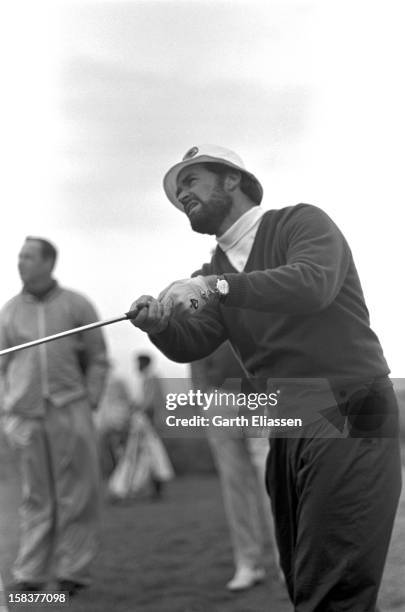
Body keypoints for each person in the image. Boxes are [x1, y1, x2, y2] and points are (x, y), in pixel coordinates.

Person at [128, 144, 402, 612]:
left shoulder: (301, 223)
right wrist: (160, 327)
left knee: (331, 592)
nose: (182, 196)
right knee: (305, 582)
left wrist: (215, 287)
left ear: (232, 179)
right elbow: (193, 342)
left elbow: (310, 283)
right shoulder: (213, 270)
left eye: (191, 181)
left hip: (352, 404)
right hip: (288, 421)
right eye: (178, 192)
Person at [0, 237, 109, 596]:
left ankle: (72, 572)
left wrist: (90, 398)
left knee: (76, 493)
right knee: (35, 496)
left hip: (70, 408)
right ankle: (30, 573)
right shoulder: (9, 311)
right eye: (19, 256)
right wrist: (8, 410)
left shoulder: (77, 305)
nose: (20, 262)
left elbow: (97, 357)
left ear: (49, 262)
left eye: (28, 257)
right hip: (25, 416)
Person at [191, 341, 280, 591]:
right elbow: (193, 345)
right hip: (218, 395)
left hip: (259, 393)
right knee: (234, 482)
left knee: (270, 478)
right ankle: (248, 563)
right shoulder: (200, 303)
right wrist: (201, 394)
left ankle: (287, 562)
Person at [108, 353, 174, 501]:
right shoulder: (148, 379)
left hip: (150, 424)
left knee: (153, 456)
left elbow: (150, 403)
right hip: (149, 423)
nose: (136, 367)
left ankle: (144, 489)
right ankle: (152, 490)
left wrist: (136, 410)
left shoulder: (151, 379)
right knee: (152, 456)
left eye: (138, 363)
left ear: (144, 364)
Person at [94, 374, 132, 479]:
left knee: (117, 450)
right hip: (112, 426)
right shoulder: (113, 395)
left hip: (115, 426)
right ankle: (117, 474)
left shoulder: (115, 387)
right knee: (115, 450)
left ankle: (119, 474)